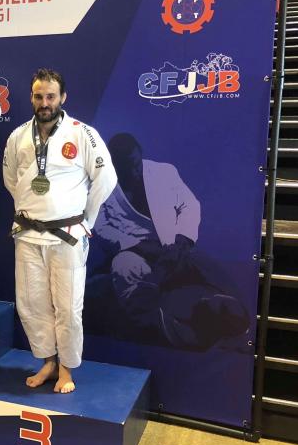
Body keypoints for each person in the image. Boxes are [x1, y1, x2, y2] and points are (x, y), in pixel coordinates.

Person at [3, 68, 117, 392]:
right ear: (31, 98)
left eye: (51, 96)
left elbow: (105, 179)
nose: (45, 103)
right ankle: (48, 362)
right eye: (39, 96)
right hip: (28, 233)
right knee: (32, 304)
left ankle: (66, 369)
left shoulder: (82, 134)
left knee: (67, 306)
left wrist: (85, 219)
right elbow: (11, 179)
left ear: (62, 97)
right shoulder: (18, 136)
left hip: (67, 235)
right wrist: (32, 208)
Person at [87, 133, 249, 350]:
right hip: (133, 251)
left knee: (206, 267)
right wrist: (136, 246)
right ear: (113, 163)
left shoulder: (163, 172)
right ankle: (153, 323)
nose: (134, 172)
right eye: (127, 168)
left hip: (173, 247)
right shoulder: (100, 184)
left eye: (136, 164)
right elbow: (99, 226)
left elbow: (188, 205)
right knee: (124, 267)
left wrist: (183, 239)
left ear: (140, 156)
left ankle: (228, 317)